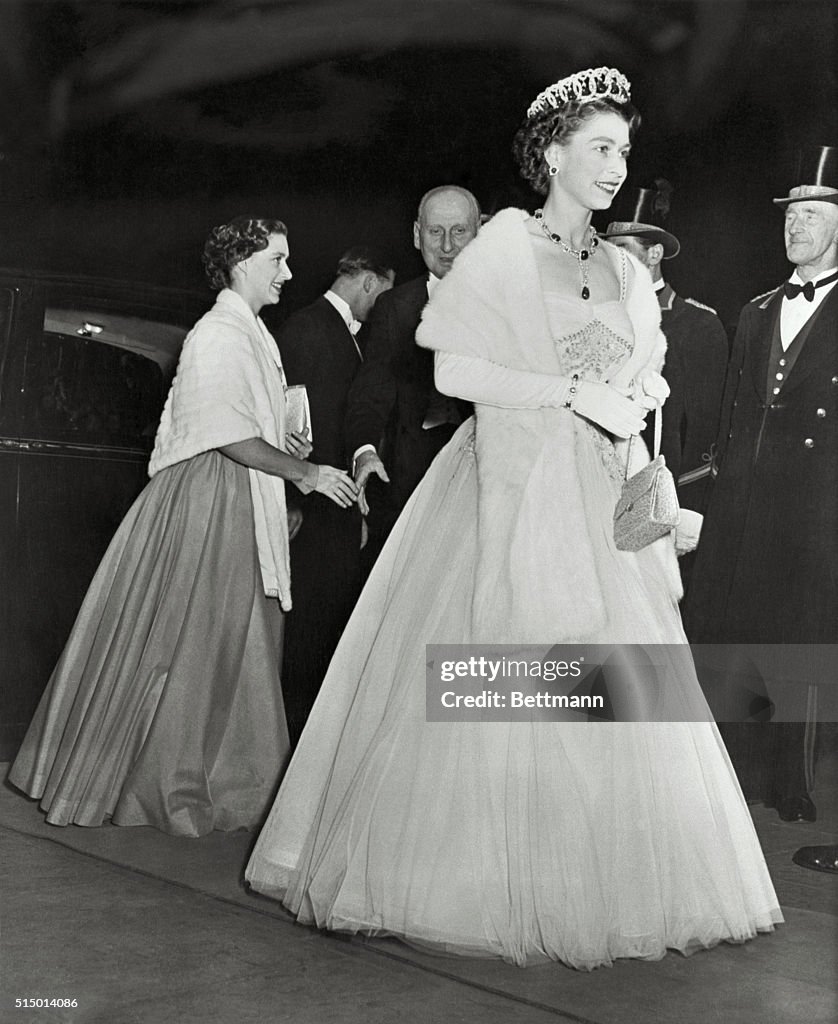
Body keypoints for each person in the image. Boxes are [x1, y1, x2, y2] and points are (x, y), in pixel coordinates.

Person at [246, 68, 781, 969]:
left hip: (600, 489)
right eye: (601, 148)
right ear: (552, 153)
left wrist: (636, 407)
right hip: (510, 477)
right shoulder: (500, 248)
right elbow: (455, 374)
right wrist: (575, 391)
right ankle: (477, 881)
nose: (616, 167)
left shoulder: (619, 264)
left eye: (624, 151)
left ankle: (604, 881)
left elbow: (645, 378)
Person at [7, 216, 357, 838]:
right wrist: (302, 472)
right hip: (209, 501)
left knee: (225, 645)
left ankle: (215, 783)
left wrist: (285, 441)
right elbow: (225, 433)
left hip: (233, 497)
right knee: (194, 646)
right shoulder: (219, 333)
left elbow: (247, 424)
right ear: (244, 263)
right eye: (278, 259)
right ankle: (168, 787)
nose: (289, 272)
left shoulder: (250, 333)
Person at [683, 146, 838, 824]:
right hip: (746, 503)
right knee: (739, 637)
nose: (794, 228)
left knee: (802, 644)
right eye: (790, 217)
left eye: (810, 216)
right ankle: (736, 773)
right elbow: (732, 419)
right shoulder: (753, 312)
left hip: (816, 506)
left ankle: (790, 781)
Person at [277, 246, 395, 744]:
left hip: (336, 507)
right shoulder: (309, 328)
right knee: (308, 631)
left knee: (323, 625)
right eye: (385, 294)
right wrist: (293, 500)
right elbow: (293, 427)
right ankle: (295, 738)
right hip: (315, 510)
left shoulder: (330, 329)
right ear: (370, 282)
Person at [344, 186, 479, 573]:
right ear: (417, 235)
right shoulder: (393, 308)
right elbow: (369, 396)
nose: (448, 245)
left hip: (488, 486)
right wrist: (365, 453)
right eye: (436, 232)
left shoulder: (508, 303)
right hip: (412, 488)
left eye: (460, 231)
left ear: (478, 234)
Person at [601, 180, 729, 588]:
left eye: (624, 251)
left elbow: (708, 432)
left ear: (654, 254)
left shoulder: (697, 326)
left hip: (659, 512)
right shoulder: (594, 319)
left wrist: (686, 514)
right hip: (594, 500)